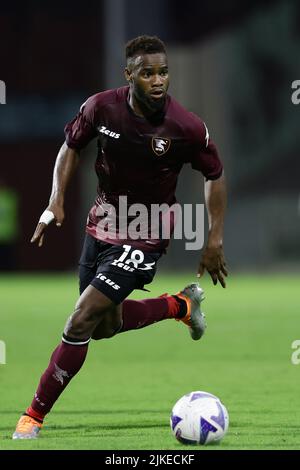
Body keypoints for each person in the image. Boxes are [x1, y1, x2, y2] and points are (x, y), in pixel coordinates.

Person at [13, 35, 227, 439]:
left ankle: (33, 415)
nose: (158, 80)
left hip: (147, 230)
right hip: (102, 223)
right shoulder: (101, 108)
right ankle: (179, 306)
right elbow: (71, 145)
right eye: (148, 73)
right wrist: (55, 200)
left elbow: (214, 174)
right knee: (103, 326)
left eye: (163, 72)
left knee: (80, 321)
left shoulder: (185, 126)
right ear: (128, 75)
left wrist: (213, 238)